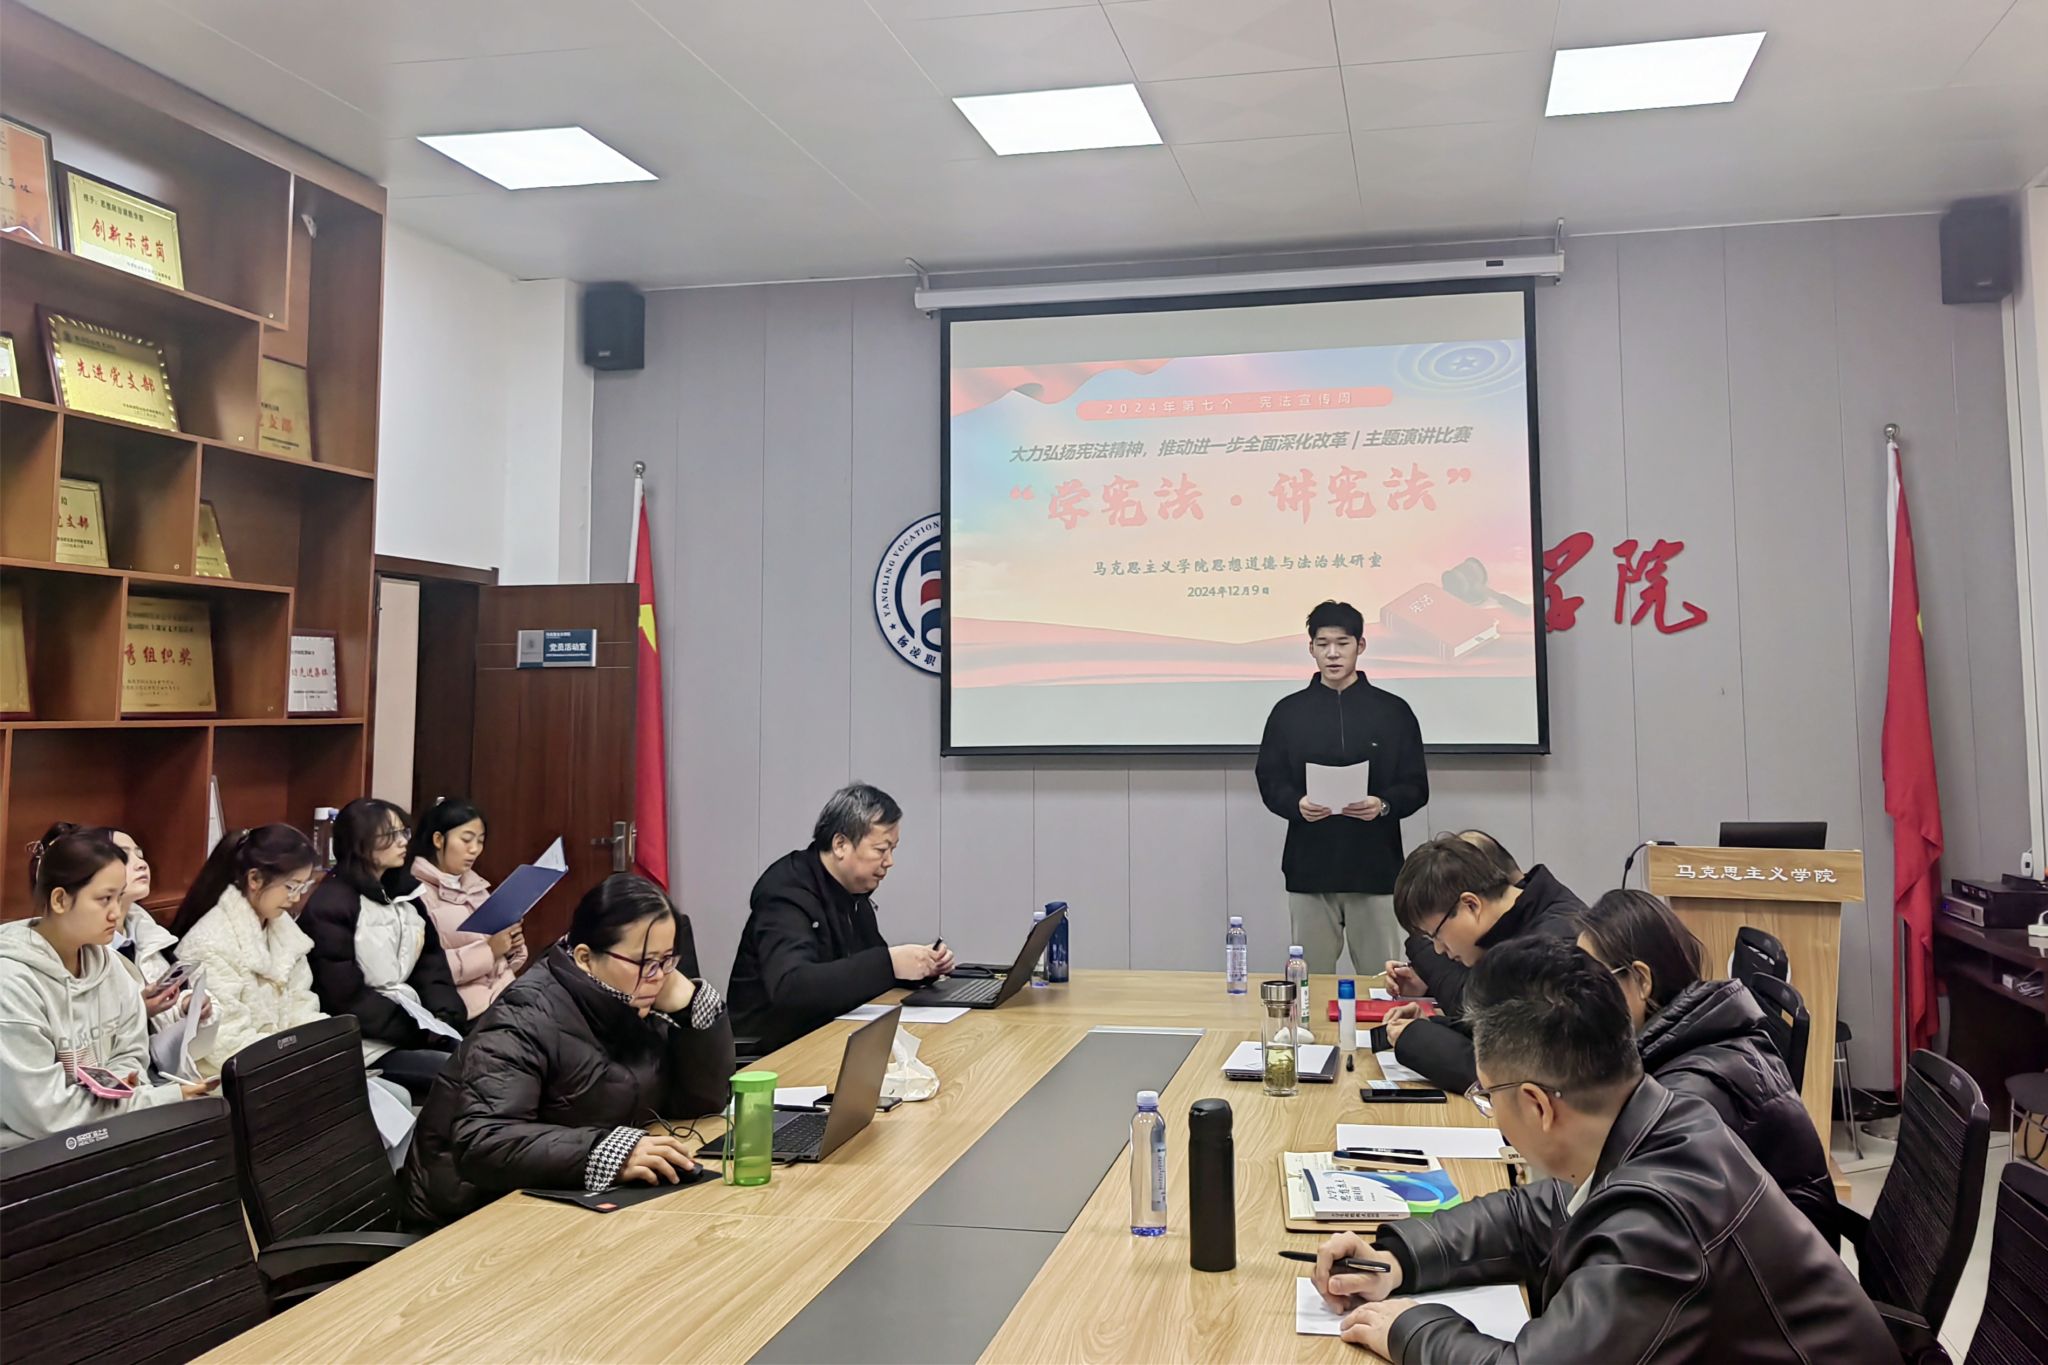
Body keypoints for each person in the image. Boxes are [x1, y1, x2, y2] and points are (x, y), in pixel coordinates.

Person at [1310, 936, 1899, 1364]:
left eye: (1488, 1098)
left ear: (1538, 1105)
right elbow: (1539, 1211)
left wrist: (1412, 1328)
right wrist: (1400, 1257)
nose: (1496, 1117)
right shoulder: (1663, 1116)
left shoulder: (1659, 1221)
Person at [402, 874, 735, 1229]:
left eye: (667, 961)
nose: (658, 976)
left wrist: (691, 1010)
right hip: (470, 1216)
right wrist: (607, 1152)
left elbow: (698, 1104)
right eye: (645, 962)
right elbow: (483, 1141)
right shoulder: (524, 1015)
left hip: (561, 1199)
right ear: (585, 957)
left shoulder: (633, 1001)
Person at [1575, 889, 1838, 1243]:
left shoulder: (1688, 1094)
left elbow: (1634, 1225)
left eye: (1588, 984)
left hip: (1774, 1268)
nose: (1576, 1002)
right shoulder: (1695, 1034)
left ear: (1641, 981)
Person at [0, 828, 215, 1148]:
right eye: (104, 899)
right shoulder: (11, 982)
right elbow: (46, 1114)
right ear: (60, 900)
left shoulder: (112, 967)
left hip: (106, 1135)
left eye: (118, 897)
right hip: (29, 1154)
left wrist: (121, 1095)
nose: (116, 912)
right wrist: (155, 1100)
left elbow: (132, 1058)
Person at [1255, 600, 1429, 974]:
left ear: (1360, 645)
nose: (1332, 653)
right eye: (1323, 644)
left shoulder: (1393, 711)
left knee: (1382, 979)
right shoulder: (1288, 712)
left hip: (1376, 867)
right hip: (1310, 867)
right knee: (1310, 981)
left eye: (1343, 643)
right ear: (1311, 648)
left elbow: (1416, 785)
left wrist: (1383, 804)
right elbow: (1270, 780)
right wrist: (1296, 804)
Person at [726, 783, 953, 1056]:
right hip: (773, 1051)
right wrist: (890, 964)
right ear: (840, 845)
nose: (889, 861)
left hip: (828, 1034)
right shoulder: (786, 895)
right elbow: (791, 987)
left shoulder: (853, 893)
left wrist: (919, 968)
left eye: (893, 849)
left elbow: (863, 975)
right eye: (881, 850)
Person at [1378, 833, 1584, 1091]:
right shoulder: (1531, 918)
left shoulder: (1548, 946)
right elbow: (1504, 1028)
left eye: (1437, 935)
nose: (1439, 949)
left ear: (1471, 905)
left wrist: (1416, 1039)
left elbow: (1508, 1075)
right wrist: (1434, 1027)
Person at [300, 799, 468, 1099]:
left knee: (492, 1063)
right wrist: (418, 1031)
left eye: (404, 832)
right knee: (462, 1078)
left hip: (413, 1026)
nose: (403, 842)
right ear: (360, 843)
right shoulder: (332, 904)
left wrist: (445, 1016)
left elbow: (431, 967)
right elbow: (344, 997)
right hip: (366, 1044)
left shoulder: (405, 894)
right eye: (391, 835)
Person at [167, 825, 324, 1079]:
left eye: (302, 887)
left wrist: (318, 1051)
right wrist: (296, 1064)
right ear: (255, 879)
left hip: (283, 1066)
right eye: (291, 886)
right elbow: (226, 1041)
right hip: (230, 1078)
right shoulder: (209, 942)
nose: (296, 898)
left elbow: (302, 1006)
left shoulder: (285, 932)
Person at [407, 798, 524, 1019]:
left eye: (480, 841)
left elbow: (506, 960)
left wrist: (511, 945)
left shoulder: (476, 886)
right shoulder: (416, 894)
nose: (475, 850)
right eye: (466, 840)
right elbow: (427, 972)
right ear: (438, 839)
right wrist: (490, 951)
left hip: (507, 995)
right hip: (469, 1009)